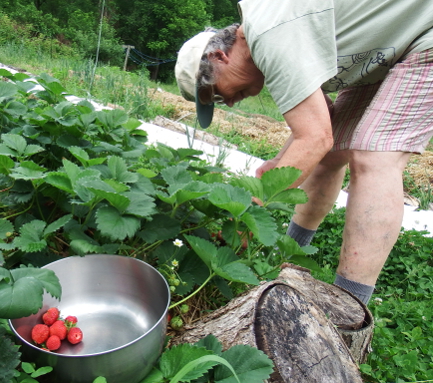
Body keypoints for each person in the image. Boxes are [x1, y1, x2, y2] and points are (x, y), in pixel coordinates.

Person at [175, 0, 433, 304]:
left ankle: (349, 309)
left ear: (220, 55)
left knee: (374, 156)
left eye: (215, 94)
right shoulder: (273, 37)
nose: (228, 103)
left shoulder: (269, 35)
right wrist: (281, 161)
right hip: (389, 47)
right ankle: (289, 254)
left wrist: (250, 211)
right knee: (331, 155)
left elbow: (314, 138)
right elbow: (319, 127)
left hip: (424, 34)